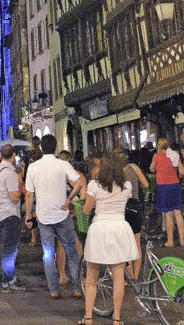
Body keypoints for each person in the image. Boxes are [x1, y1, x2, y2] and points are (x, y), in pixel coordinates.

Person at [80, 151, 139, 325]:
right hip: (119, 228)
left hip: (99, 229)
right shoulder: (126, 186)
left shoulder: (94, 186)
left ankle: (88, 317)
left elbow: (86, 210)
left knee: (91, 278)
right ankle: (116, 319)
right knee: (118, 276)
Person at [25, 134, 85, 299]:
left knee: (48, 253)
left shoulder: (33, 167)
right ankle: (76, 287)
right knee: (71, 251)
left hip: (43, 216)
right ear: (56, 147)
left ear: (41, 148)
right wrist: (69, 198)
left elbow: (29, 194)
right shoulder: (63, 164)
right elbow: (79, 182)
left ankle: (53, 289)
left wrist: (28, 214)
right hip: (62, 214)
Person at [0, 143, 25, 292]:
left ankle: (7, 278)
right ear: (13, 156)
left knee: (7, 248)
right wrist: (20, 182)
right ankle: (8, 280)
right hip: (10, 214)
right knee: (10, 250)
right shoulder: (10, 173)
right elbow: (14, 197)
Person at [116, 147, 149, 279]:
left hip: (122, 209)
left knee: (125, 245)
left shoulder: (115, 173)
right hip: (135, 206)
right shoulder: (134, 167)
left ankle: (129, 278)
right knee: (136, 244)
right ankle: (135, 275)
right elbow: (146, 184)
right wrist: (136, 187)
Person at [150, 138, 184, 248]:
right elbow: (182, 171)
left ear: (159, 146)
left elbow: (151, 169)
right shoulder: (174, 155)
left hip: (163, 187)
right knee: (178, 213)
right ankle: (182, 240)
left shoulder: (156, 156)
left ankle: (170, 241)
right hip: (175, 185)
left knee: (168, 214)